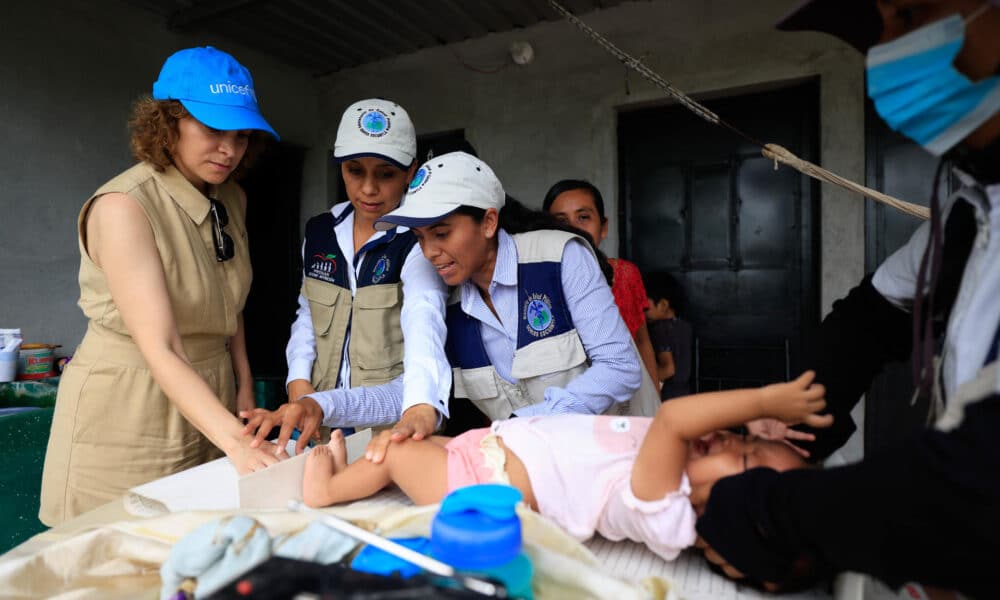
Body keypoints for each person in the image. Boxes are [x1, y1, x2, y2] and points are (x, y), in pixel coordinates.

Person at [695, 1, 1000, 596]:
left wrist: (776, 510)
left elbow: (983, 481)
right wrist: (799, 419)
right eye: (877, 36)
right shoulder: (969, 209)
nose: (886, 54)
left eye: (909, 16)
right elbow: (871, 319)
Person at [39, 47, 285, 526]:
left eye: (240, 135)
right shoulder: (124, 206)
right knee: (116, 548)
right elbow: (162, 345)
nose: (230, 150)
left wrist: (243, 387)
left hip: (210, 395)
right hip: (131, 403)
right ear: (167, 123)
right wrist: (236, 444)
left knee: (195, 546)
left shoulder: (231, 199)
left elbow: (228, 304)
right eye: (213, 130)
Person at [301, 372, 830, 562]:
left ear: (728, 510)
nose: (724, 437)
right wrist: (755, 434)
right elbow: (690, 428)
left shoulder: (659, 505)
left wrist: (763, 401)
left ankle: (326, 490)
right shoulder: (686, 467)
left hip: (489, 488)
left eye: (739, 455)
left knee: (396, 452)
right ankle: (355, 474)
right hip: (492, 449)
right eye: (740, 437)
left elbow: (674, 418)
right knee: (421, 440)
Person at [364, 152, 663, 460]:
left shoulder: (558, 258)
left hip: (627, 453)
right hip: (549, 465)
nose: (429, 252)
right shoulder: (455, 305)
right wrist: (323, 405)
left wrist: (522, 426)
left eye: (441, 234)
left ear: (489, 222)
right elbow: (418, 389)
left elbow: (619, 367)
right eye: (419, 238)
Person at [241, 99, 451, 456]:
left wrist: (420, 404)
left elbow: (424, 321)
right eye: (355, 170)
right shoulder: (321, 231)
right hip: (317, 420)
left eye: (385, 174)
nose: (368, 189)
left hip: (388, 428)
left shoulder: (417, 241)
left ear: (411, 172)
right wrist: (298, 380)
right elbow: (307, 314)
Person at [543, 179, 661, 394]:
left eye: (583, 217)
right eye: (560, 221)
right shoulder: (538, 283)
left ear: (603, 227)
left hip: (627, 400)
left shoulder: (625, 274)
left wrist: (655, 402)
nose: (573, 228)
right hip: (565, 405)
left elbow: (642, 342)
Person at [642, 271, 694, 400]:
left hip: (667, 397)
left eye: (645, 309)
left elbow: (668, 369)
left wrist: (644, 387)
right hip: (684, 395)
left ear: (664, 305)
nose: (642, 314)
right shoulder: (685, 327)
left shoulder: (659, 330)